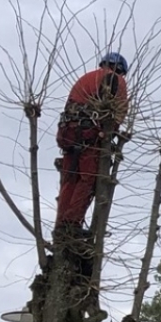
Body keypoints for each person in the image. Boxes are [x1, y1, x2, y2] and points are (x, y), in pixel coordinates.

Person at [54, 52, 130, 257]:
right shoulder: (116, 80)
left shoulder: (86, 77)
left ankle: (61, 224)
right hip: (88, 134)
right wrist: (110, 132)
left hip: (67, 133)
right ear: (120, 69)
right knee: (88, 181)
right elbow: (118, 113)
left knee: (70, 179)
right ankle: (72, 225)